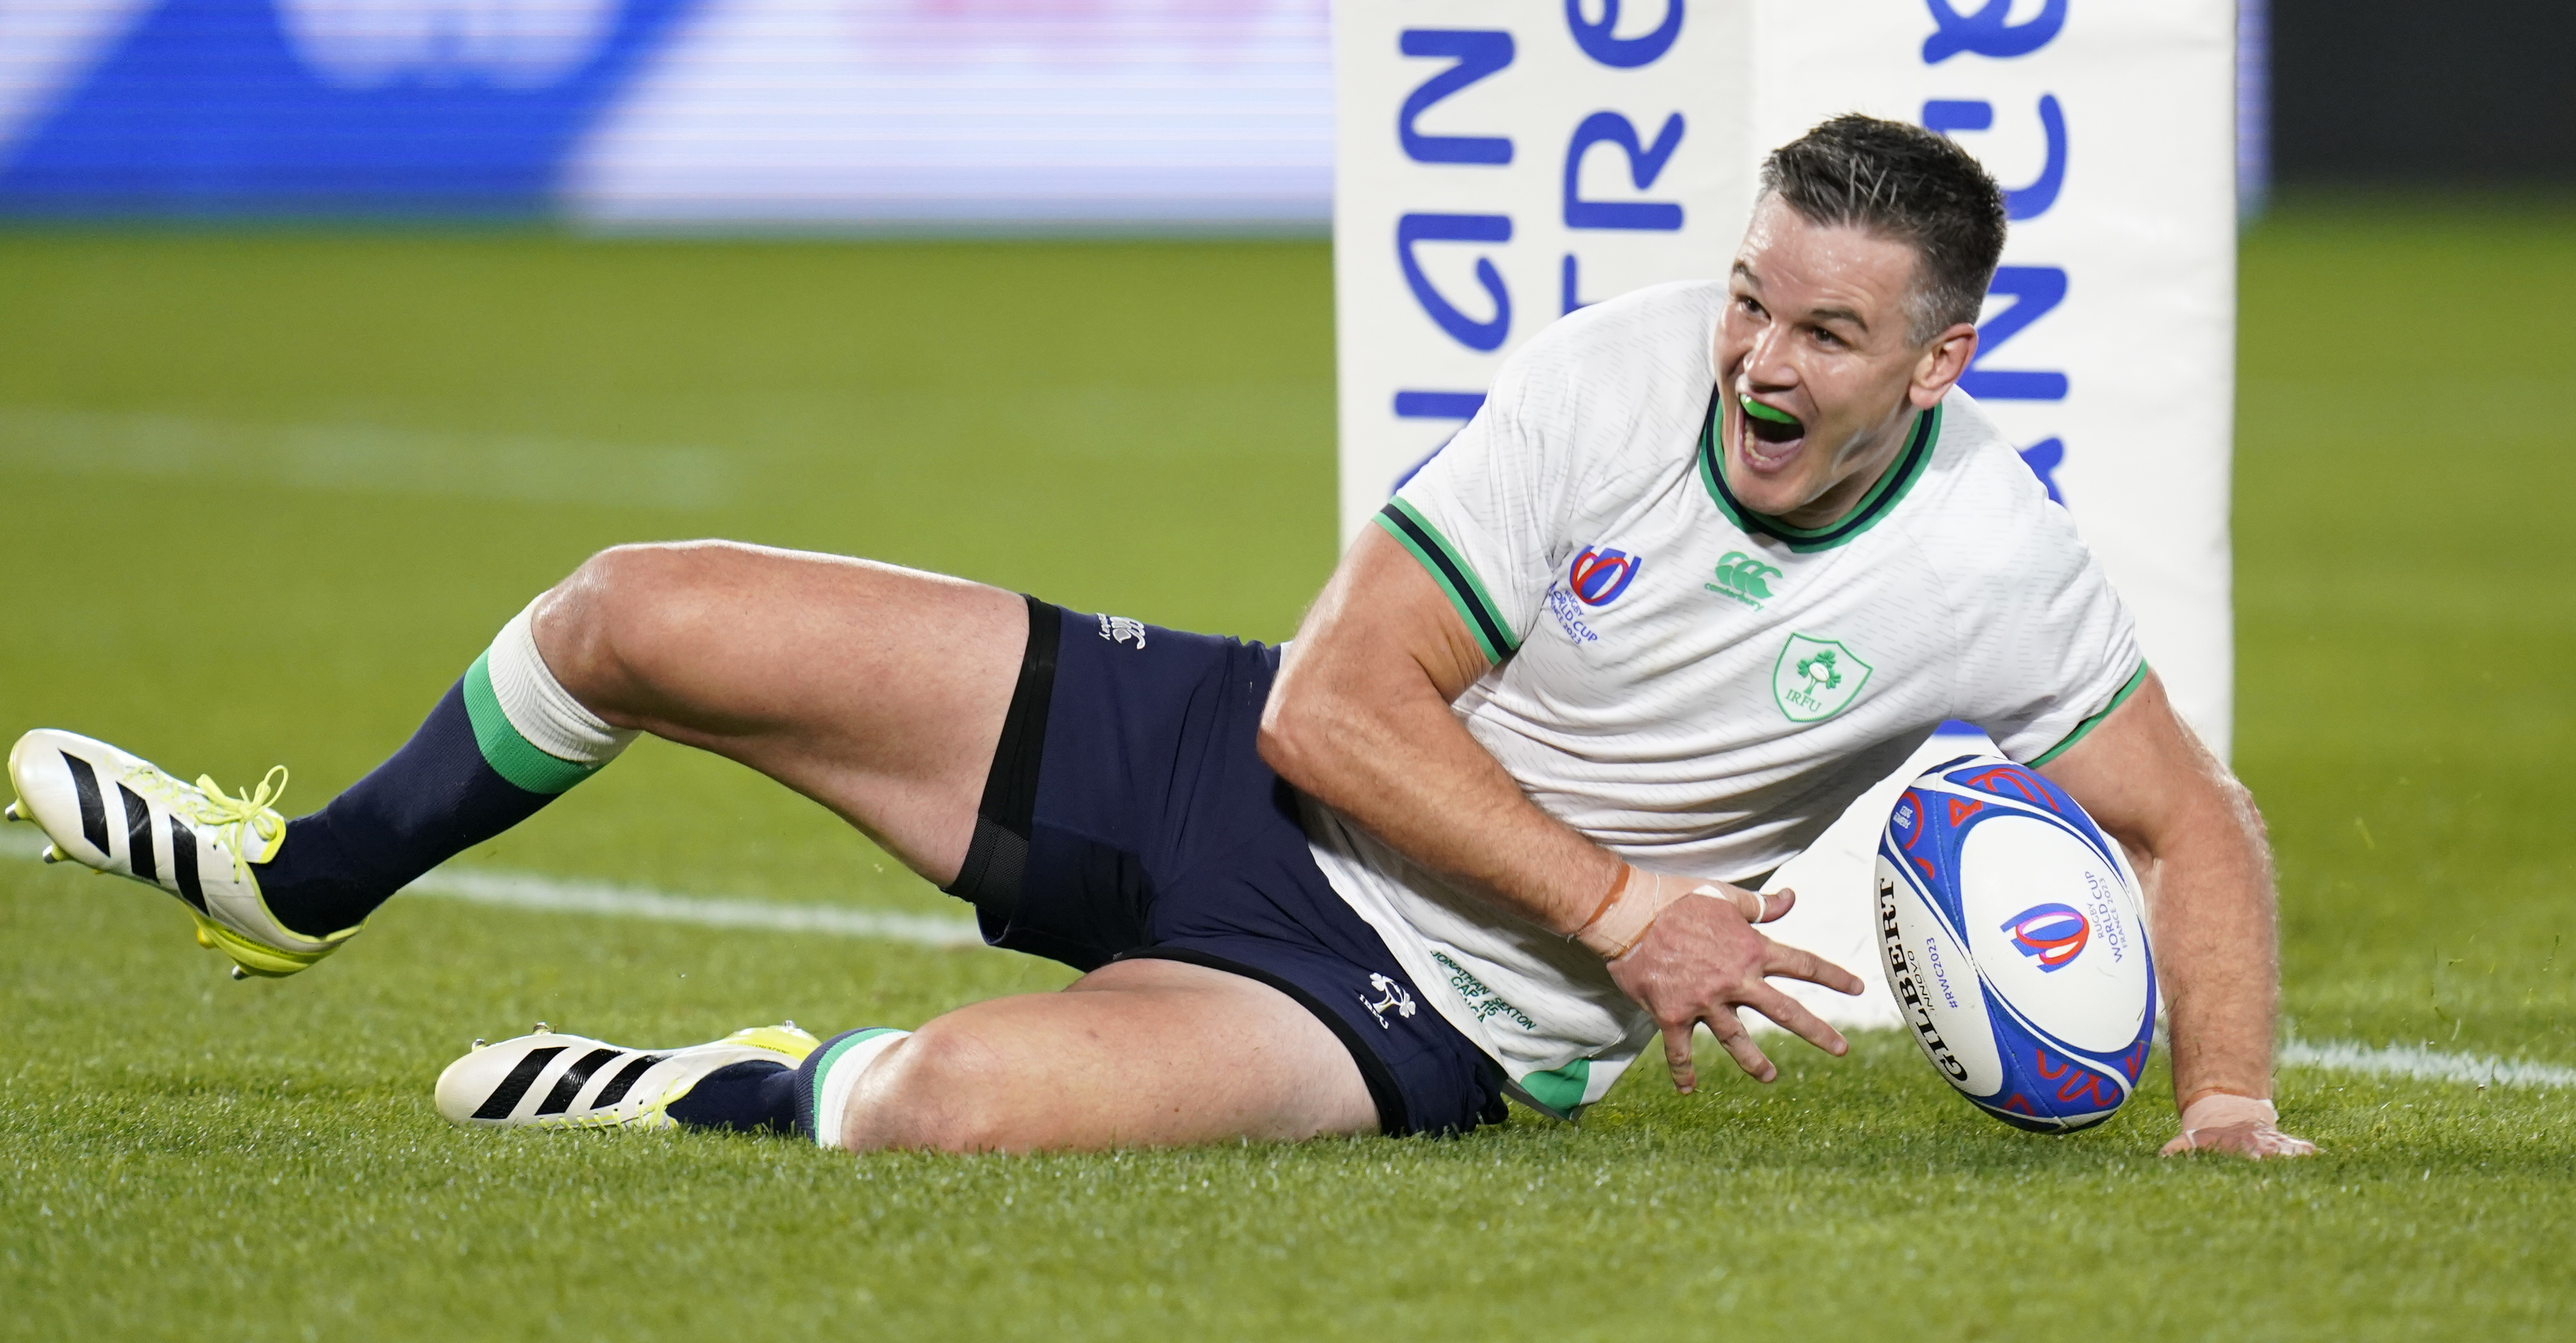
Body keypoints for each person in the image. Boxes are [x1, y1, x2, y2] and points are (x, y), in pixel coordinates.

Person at [6, 115, 2314, 1159]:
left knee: (942, 1107)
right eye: (1746, 294)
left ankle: (670, 1086)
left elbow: (2183, 823)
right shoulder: (1612, 372)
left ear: (1933, 363)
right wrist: (1633, 911)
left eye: (1823, 328)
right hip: (1222, 757)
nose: (1757, 358)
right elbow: (1331, 705)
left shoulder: (1996, 567)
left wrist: (2218, 1106)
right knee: (636, 610)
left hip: (1430, 1010)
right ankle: (295, 888)